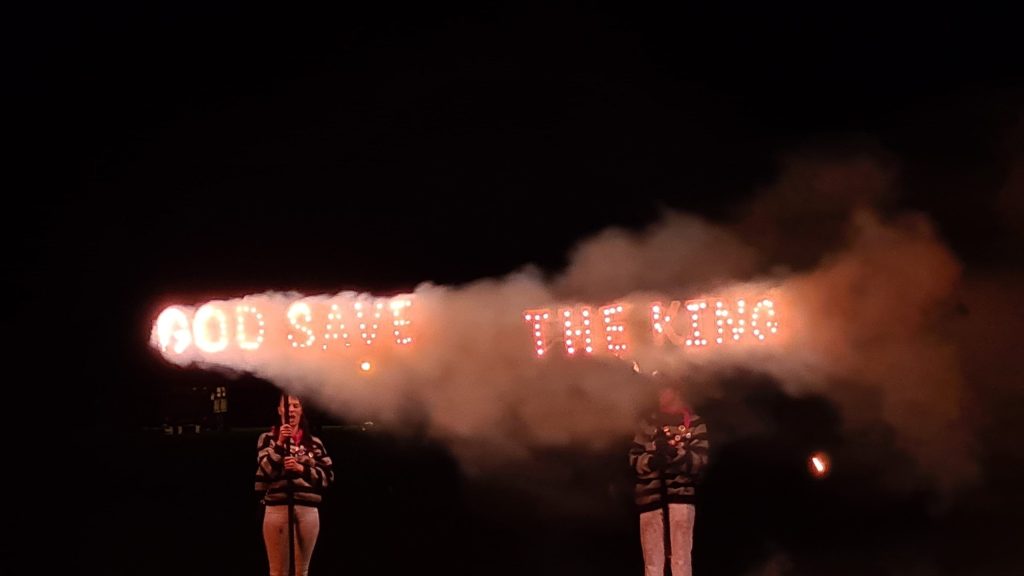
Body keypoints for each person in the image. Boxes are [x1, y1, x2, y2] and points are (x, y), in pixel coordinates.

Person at [629, 383, 709, 576]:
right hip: (650, 501)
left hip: (680, 500)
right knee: (652, 563)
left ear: (677, 391)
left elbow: (700, 460)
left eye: (665, 389)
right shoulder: (647, 424)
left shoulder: (695, 423)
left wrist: (675, 453)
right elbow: (634, 458)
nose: (660, 394)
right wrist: (653, 460)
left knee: (681, 560)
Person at [256, 394, 335, 576]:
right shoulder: (267, 439)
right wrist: (280, 443)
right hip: (277, 508)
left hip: (307, 509)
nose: (291, 410)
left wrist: (301, 468)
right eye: (287, 406)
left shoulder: (314, 443)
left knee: (302, 570)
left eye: (295, 406)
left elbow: (327, 476)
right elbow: (265, 471)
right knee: (277, 571)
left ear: (301, 410)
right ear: (279, 410)